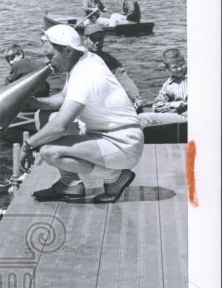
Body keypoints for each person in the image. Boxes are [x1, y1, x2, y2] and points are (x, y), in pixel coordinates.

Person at [21, 24, 143, 204]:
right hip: (108, 136)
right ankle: (70, 185)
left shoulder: (85, 74)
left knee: (49, 152)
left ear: (68, 51)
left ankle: (115, 177)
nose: (48, 61)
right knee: (44, 116)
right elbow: (63, 98)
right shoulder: (84, 59)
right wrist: (34, 103)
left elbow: (60, 127)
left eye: (51, 56)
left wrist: (27, 146)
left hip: (123, 143)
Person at [82, 26, 144, 111]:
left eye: (100, 39)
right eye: (94, 39)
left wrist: (136, 97)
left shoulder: (109, 59)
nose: (97, 43)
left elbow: (122, 77)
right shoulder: (77, 57)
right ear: (85, 39)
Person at [139, 48, 188, 127]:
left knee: (143, 118)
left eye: (182, 65)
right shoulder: (168, 84)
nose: (179, 69)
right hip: (181, 117)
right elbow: (157, 106)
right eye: (174, 67)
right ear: (167, 69)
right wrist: (173, 105)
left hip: (194, 116)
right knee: (142, 117)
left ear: (185, 61)